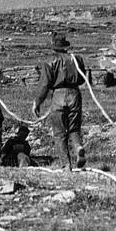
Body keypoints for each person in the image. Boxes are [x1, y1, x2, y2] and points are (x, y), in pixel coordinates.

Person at [32, 34, 88, 170]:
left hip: (58, 96)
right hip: (75, 94)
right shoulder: (77, 59)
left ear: (54, 47)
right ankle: (78, 147)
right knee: (74, 128)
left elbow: (44, 84)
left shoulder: (50, 61)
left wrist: (37, 102)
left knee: (59, 133)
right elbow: (81, 79)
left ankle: (66, 165)